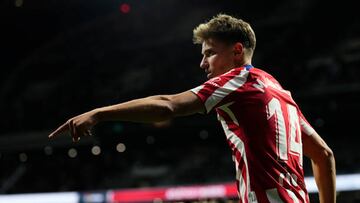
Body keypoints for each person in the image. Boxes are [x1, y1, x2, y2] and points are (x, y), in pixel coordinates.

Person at [49, 14, 336, 203]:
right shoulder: (277, 89)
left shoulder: (238, 80)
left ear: (237, 51)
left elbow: (168, 106)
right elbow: (324, 155)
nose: (202, 64)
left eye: (209, 53)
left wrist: (99, 113)